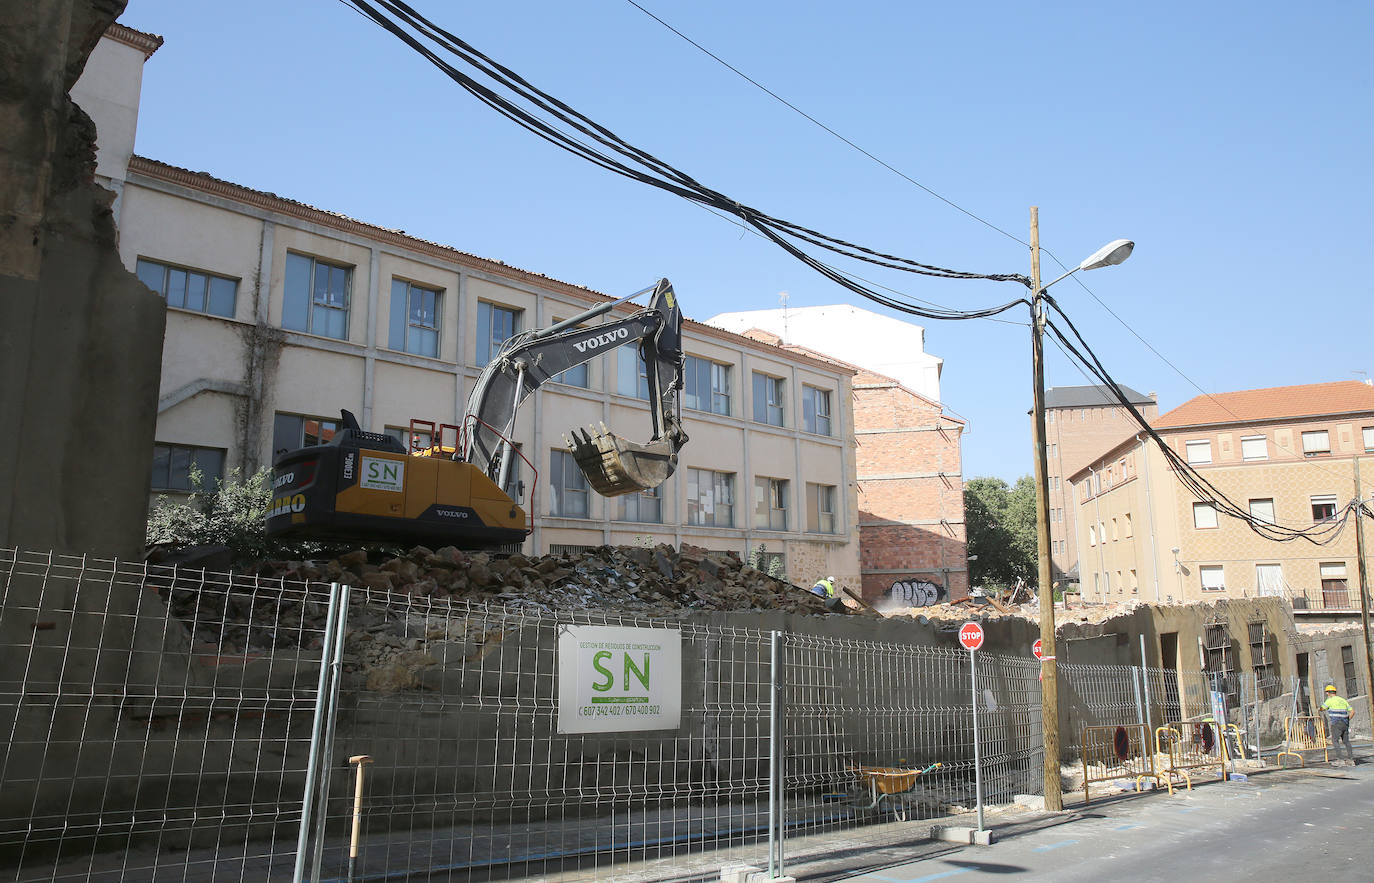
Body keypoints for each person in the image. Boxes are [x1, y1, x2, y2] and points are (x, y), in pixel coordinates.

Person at [1321, 684, 1356, 765]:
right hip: (1345, 723)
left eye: (1327, 693)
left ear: (1329, 693)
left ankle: (1340, 760)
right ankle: (1351, 760)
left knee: (1335, 741)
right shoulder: (1343, 700)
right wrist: (1347, 720)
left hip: (1336, 723)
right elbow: (1352, 712)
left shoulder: (1330, 700)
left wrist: (1320, 709)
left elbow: (1322, 708)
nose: (1327, 694)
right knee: (1346, 741)